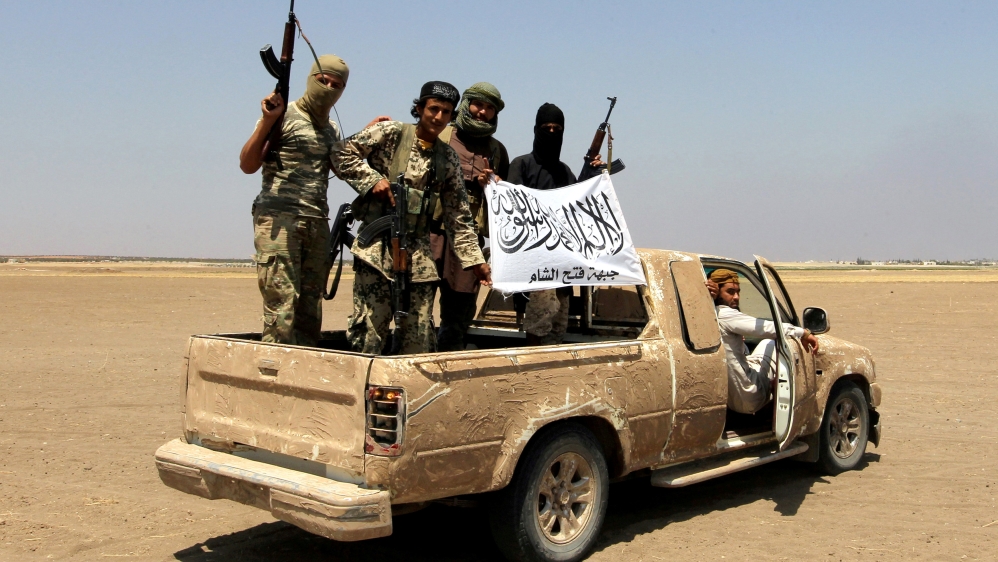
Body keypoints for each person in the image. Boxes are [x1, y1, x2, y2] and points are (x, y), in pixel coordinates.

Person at [330, 81, 491, 355]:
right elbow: (340, 152)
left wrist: (475, 261)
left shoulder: (447, 159)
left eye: (446, 112)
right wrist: (372, 180)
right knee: (369, 334)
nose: (438, 117)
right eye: (433, 109)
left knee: (418, 339)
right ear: (419, 108)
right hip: (376, 252)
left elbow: (459, 217)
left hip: (418, 258)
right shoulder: (391, 133)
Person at [238, 54, 350, 346]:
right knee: (282, 307)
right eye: (323, 81)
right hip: (280, 221)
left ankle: (304, 366)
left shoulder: (331, 129)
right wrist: (267, 121)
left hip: (317, 222)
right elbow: (248, 164)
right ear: (311, 79)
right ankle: (274, 366)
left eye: (336, 85)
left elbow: (341, 167)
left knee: (310, 310)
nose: (328, 88)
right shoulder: (283, 115)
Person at [508, 103, 603, 346]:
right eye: (546, 127)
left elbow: (576, 206)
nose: (551, 133)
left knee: (558, 323)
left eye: (557, 129)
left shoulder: (564, 171)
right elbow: (512, 211)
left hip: (561, 261)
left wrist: (591, 175)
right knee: (540, 320)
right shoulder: (521, 165)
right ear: (536, 129)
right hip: (534, 260)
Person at [431, 82, 510, 352]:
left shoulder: (497, 150)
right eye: (478, 104)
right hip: (430, 232)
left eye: (489, 108)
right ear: (466, 104)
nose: (482, 112)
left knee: (459, 314)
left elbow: (505, 199)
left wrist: (495, 183)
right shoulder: (441, 135)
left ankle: (449, 361)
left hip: (469, 241)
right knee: (415, 307)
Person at [708, 268, 819, 414]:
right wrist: (803, 333)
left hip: (727, 398)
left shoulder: (707, 316)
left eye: (738, 292)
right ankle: (776, 387)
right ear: (716, 292)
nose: (736, 297)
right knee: (770, 343)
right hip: (749, 395)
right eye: (730, 292)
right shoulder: (724, 314)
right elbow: (766, 328)